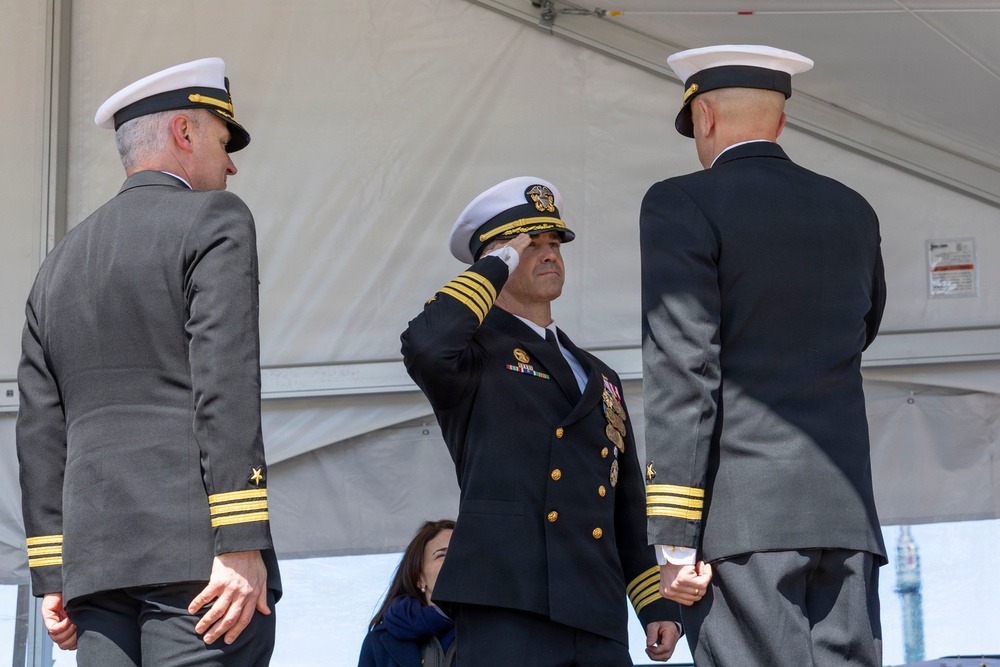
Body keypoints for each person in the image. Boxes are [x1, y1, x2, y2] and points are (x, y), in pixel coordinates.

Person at [16, 57, 280, 666]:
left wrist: (53, 571)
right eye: (222, 139)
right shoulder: (216, 218)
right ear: (184, 133)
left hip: (97, 571)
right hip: (202, 567)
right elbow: (226, 381)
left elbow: (40, 432)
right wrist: (242, 541)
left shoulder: (57, 263)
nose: (232, 162)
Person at [639, 45, 887, 667]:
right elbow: (863, 328)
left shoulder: (680, 203)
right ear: (780, 123)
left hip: (742, 524)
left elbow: (683, 370)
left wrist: (673, 543)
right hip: (846, 518)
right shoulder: (852, 209)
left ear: (704, 119)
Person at [401, 176, 682, 667]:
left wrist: (654, 605)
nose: (550, 253)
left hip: (596, 608)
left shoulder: (601, 375)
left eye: (555, 243)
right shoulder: (472, 353)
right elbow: (425, 344)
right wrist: (497, 261)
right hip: (509, 599)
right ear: (495, 259)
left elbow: (626, 506)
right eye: (531, 244)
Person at [359, 519, 457, 667]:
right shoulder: (378, 642)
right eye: (442, 555)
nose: (455, 561)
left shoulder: (496, 631)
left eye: (461, 554)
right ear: (419, 578)